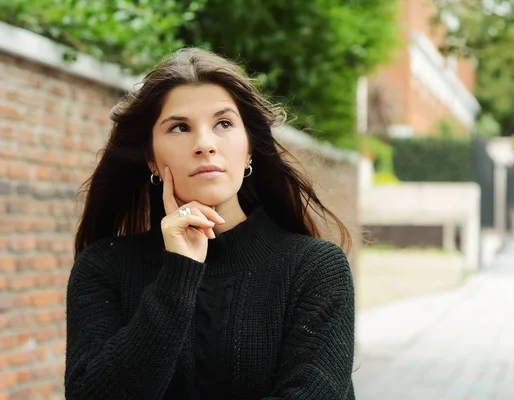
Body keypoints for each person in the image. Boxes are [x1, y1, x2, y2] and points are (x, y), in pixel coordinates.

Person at [64, 48, 355, 400]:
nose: (205, 144)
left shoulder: (315, 267)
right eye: (180, 127)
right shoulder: (104, 267)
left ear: (249, 148)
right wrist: (179, 274)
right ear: (151, 159)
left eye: (224, 124)